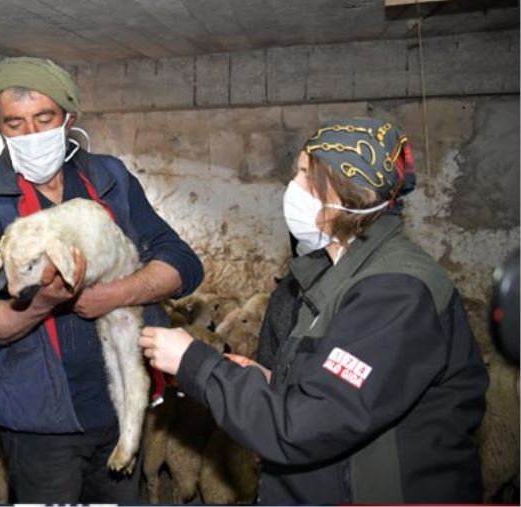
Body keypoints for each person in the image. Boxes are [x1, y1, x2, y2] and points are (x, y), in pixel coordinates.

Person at [140, 118, 489, 504]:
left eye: (307, 176)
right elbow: (341, 390)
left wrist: (194, 361)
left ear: (349, 190)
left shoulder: (393, 293)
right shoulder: (337, 274)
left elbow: (308, 425)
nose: (294, 189)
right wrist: (273, 382)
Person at [0, 57, 203, 503]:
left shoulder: (108, 179)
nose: (31, 135)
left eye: (44, 119)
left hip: (118, 402)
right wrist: (51, 298)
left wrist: (115, 294)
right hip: (39, 422)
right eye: (15, 123)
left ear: (69, 117)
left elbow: (183, 263)